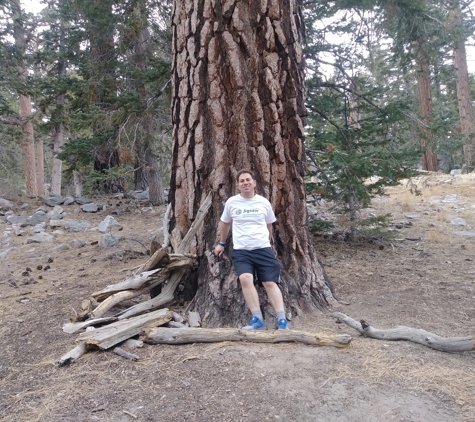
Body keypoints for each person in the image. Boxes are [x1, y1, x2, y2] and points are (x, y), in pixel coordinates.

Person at [214, 170, 289, 330]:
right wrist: (222, 243)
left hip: (263, 249)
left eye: (248, 180)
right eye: (242, 181)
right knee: (245, 279)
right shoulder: (232, 203)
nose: (245, 183)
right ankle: (257, 320)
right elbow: (225, 223)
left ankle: (282, 320)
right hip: (242, 250)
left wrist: (267, 241)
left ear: (254, 183)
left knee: (269, 282)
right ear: (238, 185)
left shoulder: (263, 202)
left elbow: (269, 224)